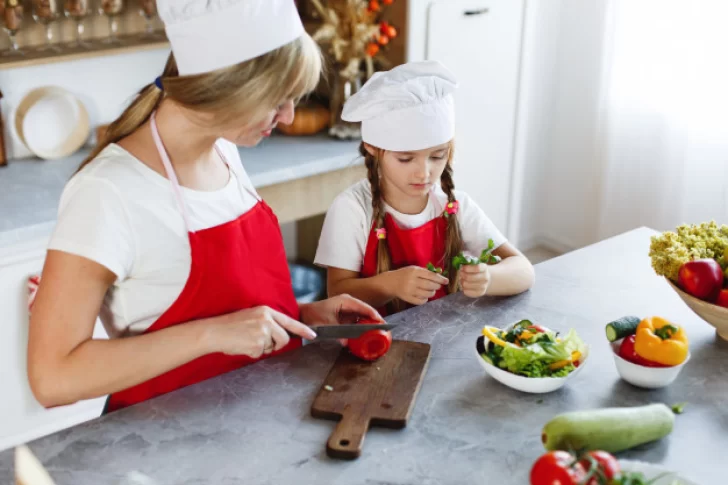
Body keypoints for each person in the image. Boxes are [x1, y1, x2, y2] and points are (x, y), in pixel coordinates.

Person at [27, 0, 381, 413]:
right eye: (277, 100)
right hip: (162, 448)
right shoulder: (108, 191)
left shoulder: (224, 150)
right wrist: (211, 334)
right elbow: (52, 378)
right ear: (227, 87)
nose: (287, 117)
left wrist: (300, 316)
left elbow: (224, 306)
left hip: (251, 421)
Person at [314, 61, 535, 315]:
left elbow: (524, 270)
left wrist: (489, 277)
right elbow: (337, 294)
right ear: (372, 149)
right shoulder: (352, 209)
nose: (424, 173)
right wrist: (391, 285)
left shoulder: (453, 207)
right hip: (377, 344)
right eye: (406, 159)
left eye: (437, 156)